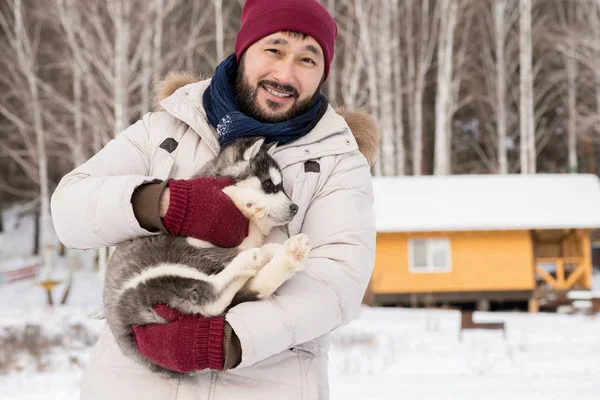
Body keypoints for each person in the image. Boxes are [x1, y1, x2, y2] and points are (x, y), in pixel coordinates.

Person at [51, 0, 379, 398]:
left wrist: (228, 340)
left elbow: (337, 283)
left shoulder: (336, 160)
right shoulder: (167, 128)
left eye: (307, 60)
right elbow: (69, 209)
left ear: (323, 73)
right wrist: (163, 204)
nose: (285, 73)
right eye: (274, 50)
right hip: (134, 382)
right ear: (244, 50)